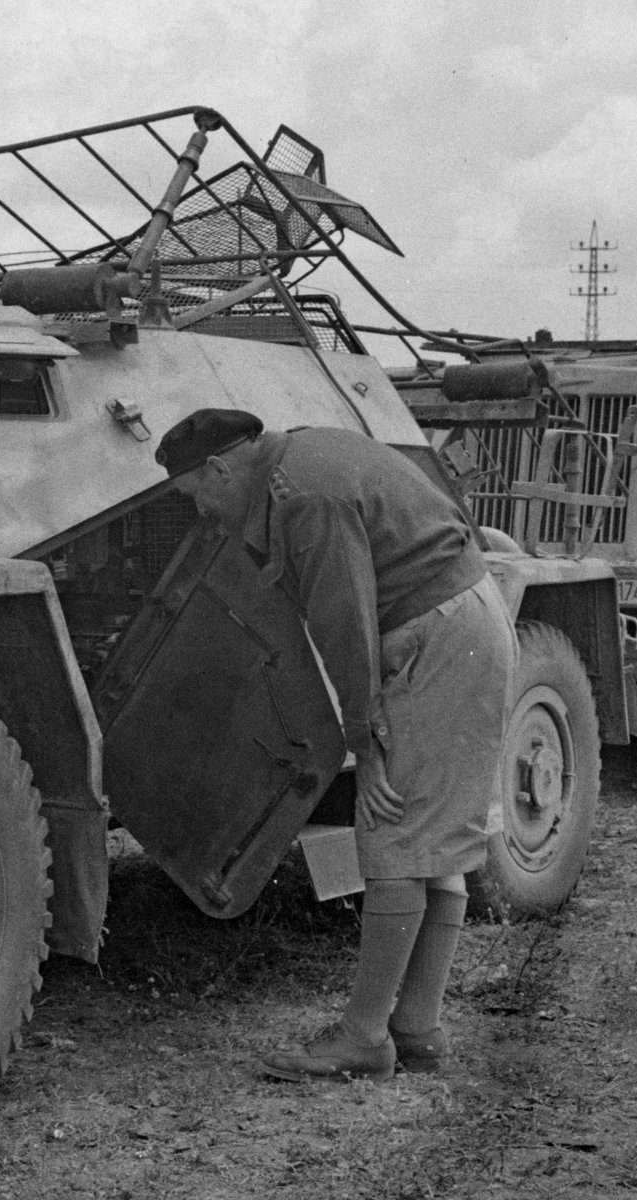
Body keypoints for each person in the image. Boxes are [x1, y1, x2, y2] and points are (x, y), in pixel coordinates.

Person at [155, 407, 517, 1080]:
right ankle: (416, 1028)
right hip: (459, 626)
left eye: (196, 494)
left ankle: (364, 1038)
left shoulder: (304, 499)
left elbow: (344, 621)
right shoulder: (301, 457)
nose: (202, 510)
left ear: (221, 469)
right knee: (431, 840)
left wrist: (366, 742)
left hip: (437, 638)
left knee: (392, 834)